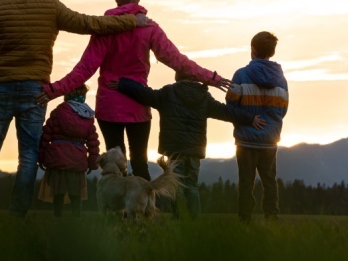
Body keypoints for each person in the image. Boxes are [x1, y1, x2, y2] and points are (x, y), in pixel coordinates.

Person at [0, 0, 151, 218]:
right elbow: (90, 23)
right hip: (35, 90)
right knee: (29, 155)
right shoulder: (51, 7)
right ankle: (17, 214)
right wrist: (132, 22)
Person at [37, 0, 230, 181]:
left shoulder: (106, 27)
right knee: (139, 163)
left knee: (115, 165)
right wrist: (212, 78)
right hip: (138, 104)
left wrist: (53, 90)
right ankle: (145, 211)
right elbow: (177, 61)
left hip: (109, 106)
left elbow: (83, 70)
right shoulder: (149, 28)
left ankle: (117, 212)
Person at [108, 73, 265, 219]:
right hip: (194, 151)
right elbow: (227, 112)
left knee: (178, 187)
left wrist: (123, 84)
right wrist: (250, 118)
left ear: (178, 77)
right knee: (192, 187)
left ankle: (180, 219)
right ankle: (193, 222)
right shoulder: (204, 96)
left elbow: (143, 93)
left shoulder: (168, 93)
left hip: (175, 149)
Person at [225, 31, 288, 223]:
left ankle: (245, 219)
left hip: (245, 140)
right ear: (272, 52)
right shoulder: (281, 80)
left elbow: (231, 107)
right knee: (270, 181)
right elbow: (283, 109)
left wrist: (248, 120)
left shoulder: (241, 75)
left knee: (246, 182)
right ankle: (272, 217)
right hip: (269, 140)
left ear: (252, 50)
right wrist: (270, 126)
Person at [37, 84, 100, 218]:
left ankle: (57, 217)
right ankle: (76, 219)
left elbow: (45, 136)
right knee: (76, 194)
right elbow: (93, 143)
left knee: (58, 193)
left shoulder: (57, 112)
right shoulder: (87, 116)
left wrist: (41, 157)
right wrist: (92, 163)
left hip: (57, 159)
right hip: (77, 161)